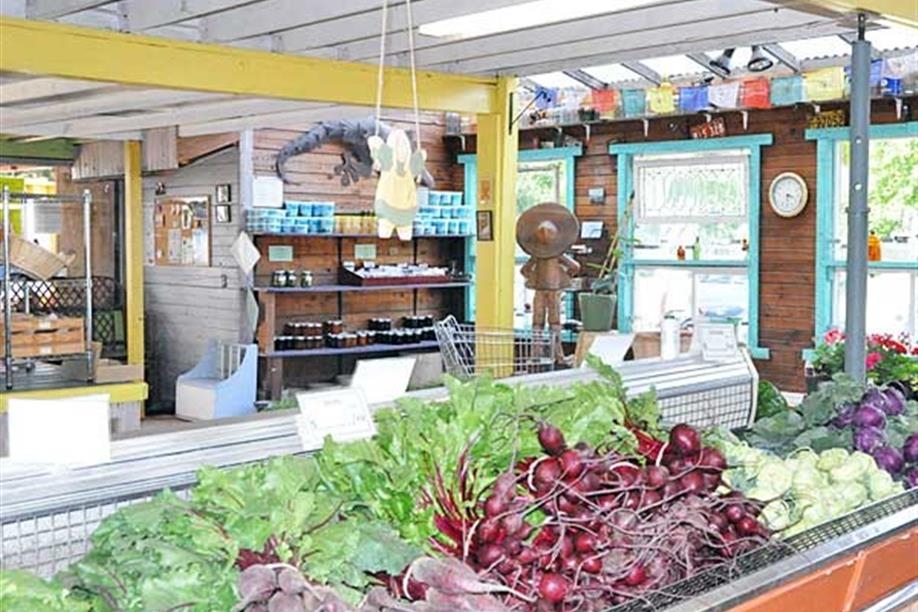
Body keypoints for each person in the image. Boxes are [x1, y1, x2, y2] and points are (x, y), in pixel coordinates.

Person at [516, 203, 581, 364]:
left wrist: (533, 277)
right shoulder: (557, 254)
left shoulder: (537, 255)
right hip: (554, 290)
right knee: (555, 322)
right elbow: (575, 267)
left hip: (539, 289)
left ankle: (535, 355)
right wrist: (565, 276)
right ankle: (558, 356)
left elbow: (524, 271)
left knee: (537, 322)